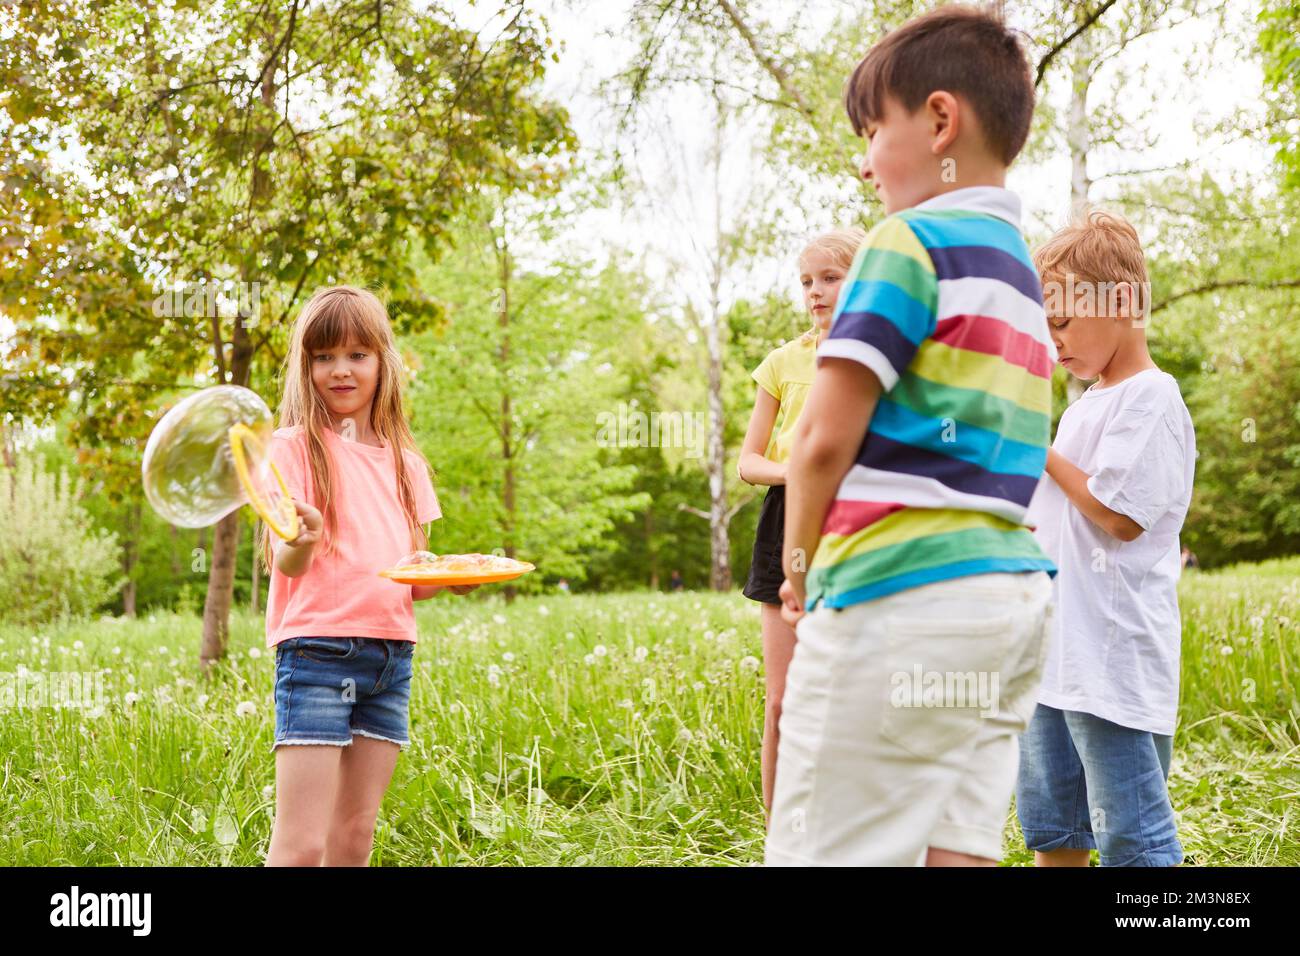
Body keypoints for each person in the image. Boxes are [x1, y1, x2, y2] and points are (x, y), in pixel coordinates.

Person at [766, 4, 1057, 866]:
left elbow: (820, 438)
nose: (864, 165)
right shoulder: (1021, 278)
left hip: (900, 602)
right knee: (954, 848)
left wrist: (796, 566)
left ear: (939, 120)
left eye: (871, 131)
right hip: (1007, 607)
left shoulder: (905, 242)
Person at [259, 285, 478, 866]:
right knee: (303, 842)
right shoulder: (291, 449)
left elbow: (415, 577)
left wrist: (455, 577)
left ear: (383, 362)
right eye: (324, 356)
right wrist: (299, 540)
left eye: (358, 355)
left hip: (390, 659)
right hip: (316, 654)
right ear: (305, 366)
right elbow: (286, 562)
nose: (341, 370)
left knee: (354, 833)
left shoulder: (408, 464)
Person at [1016, 210, 1196, 867]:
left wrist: (1040, 451)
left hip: (1112, 665)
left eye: (1061, 321)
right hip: (1055, 660)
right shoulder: (1084, 405)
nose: (1052, 340)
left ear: (1120, 302)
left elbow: (1120, 515)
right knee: (1054, 830)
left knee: (1132, 838)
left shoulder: (1151, 398)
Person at [738, 227, 866, 822]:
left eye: (831, 278)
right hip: (788, 523)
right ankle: (779, 834)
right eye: (807, 281)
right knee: (784, 700)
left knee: (854, 694)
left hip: (861, 524)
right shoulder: (781, 363)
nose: (816, 292)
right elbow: (749, 462)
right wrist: (807, 471)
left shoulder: (882, 358)